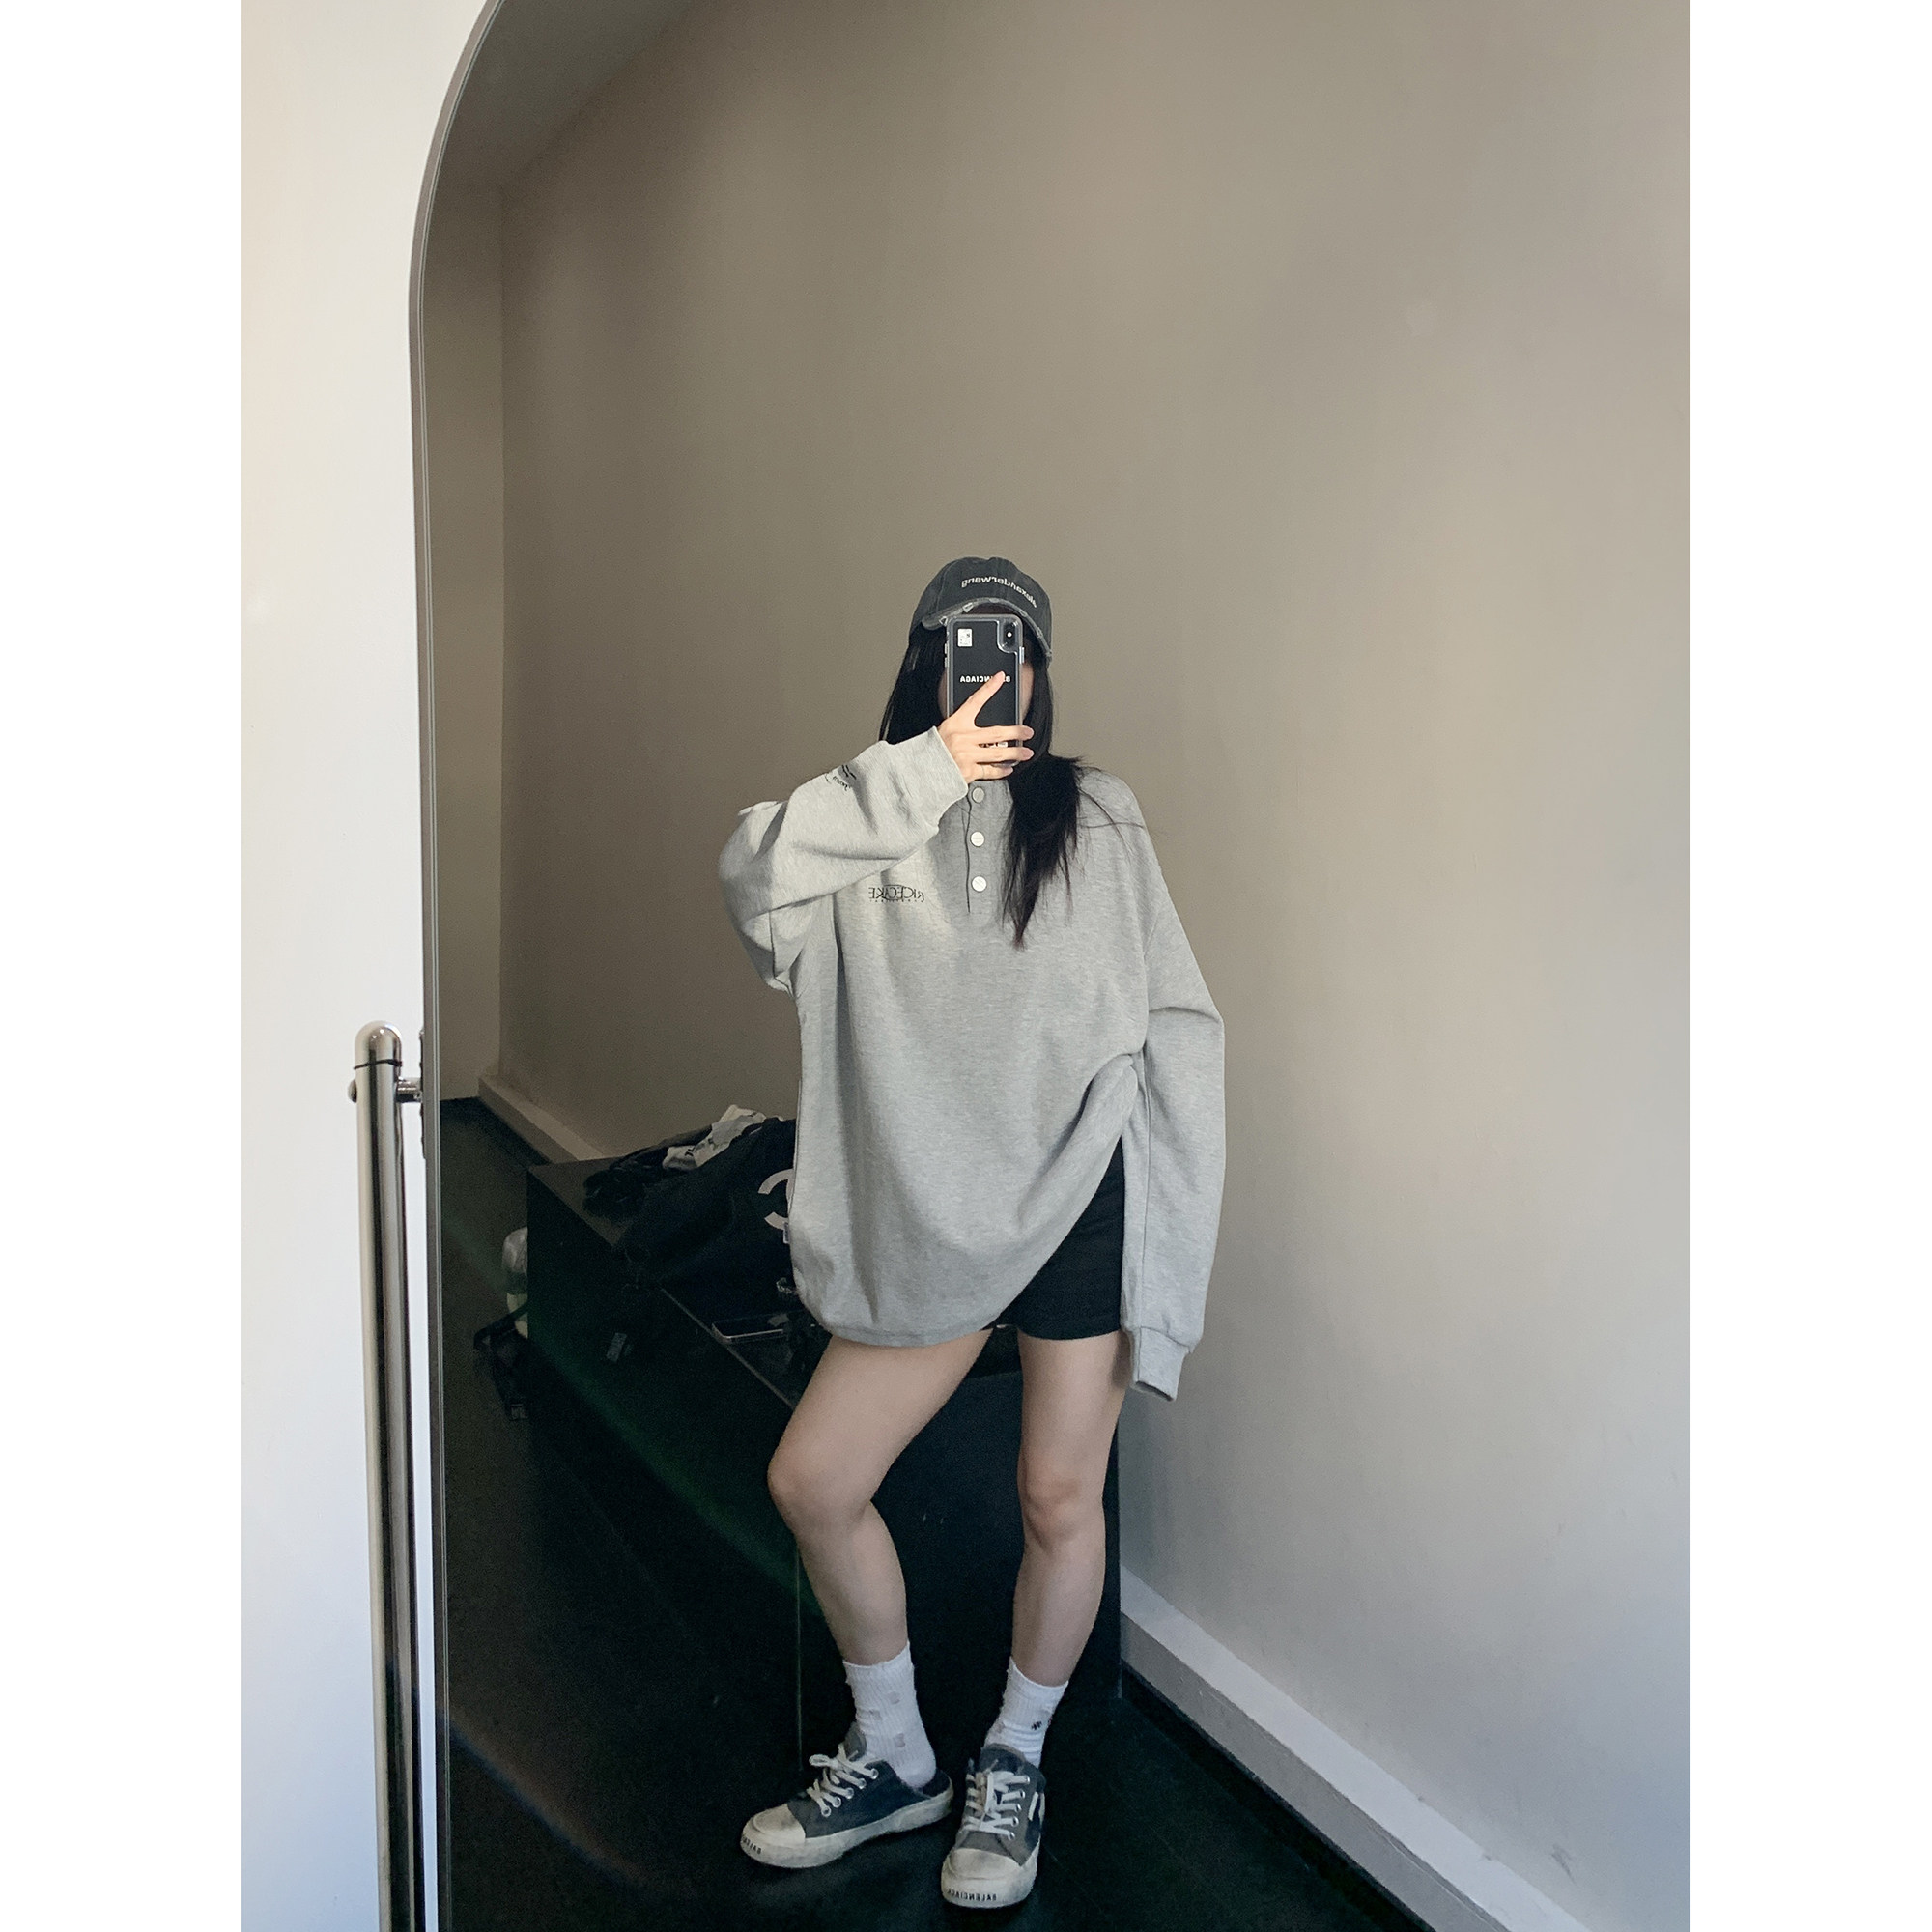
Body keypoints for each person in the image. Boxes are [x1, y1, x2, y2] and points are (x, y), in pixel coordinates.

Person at [718, 555, 1225, 1909]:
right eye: (960, 644)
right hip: (933, 1217)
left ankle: (1013, 1757)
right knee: (815, 1480)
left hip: (1080, 1197)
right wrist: (921, 773)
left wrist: (1174, 1248)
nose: (991, 670)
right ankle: (896, 1754)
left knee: (1059, 1496)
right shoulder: (862, 818)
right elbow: (753, 885)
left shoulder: (1097, 818)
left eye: (1014, 648)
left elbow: (1174, 1023)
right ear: (920, 664)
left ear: (1044, 673)